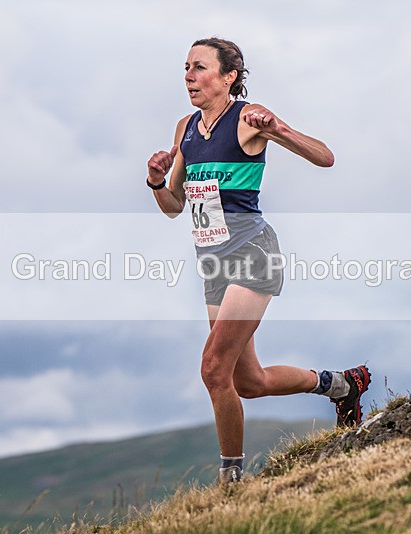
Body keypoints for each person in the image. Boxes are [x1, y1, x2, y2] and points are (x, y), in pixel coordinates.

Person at [146, 37, 370, 484]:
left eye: (200, 67)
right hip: (213, 264)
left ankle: (231, 483)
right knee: (247, 382)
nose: (188, 75)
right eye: (186, 67)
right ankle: (341, 384)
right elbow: (174, 206)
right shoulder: (185, 128)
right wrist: (155, 182)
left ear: (228, 77)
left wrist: (278, 130)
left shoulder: (248, 118)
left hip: (252, 254)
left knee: (212, 369)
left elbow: (325, 158)